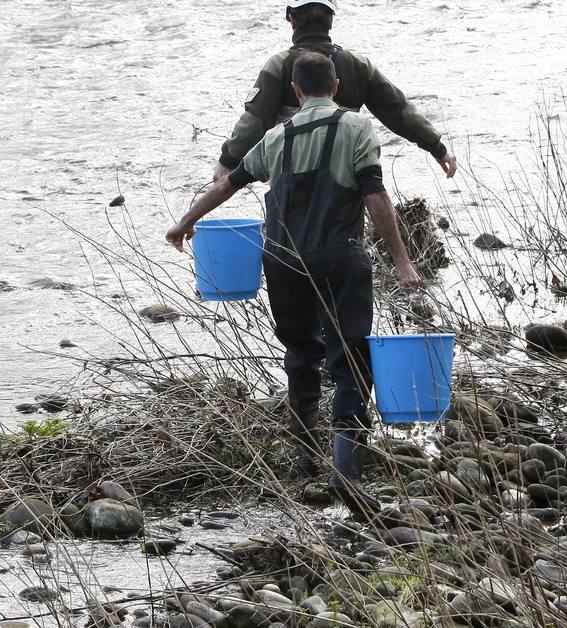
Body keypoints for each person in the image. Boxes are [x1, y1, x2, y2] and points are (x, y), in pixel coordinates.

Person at [168, 51, 421, 519]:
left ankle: (306, 454)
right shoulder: (355, 128)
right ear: (337, 87)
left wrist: (185, 223)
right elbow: (374, 195)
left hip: (282, 260)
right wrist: (402, 262)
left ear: (297, 92)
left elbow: (229, 186)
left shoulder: (275, 137)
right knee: (350, 355)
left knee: (300, 349)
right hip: (339, 256)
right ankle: (346, 470)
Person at [213, 0, 456, 182]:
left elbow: (256, 121)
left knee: (287, 238)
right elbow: (398, 111)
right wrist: (436, 146)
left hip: (291, 179)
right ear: (331, 20)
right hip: (346, 180)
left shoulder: (280, 65)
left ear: (291, 19)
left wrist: (228, 161)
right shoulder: (357, 66)